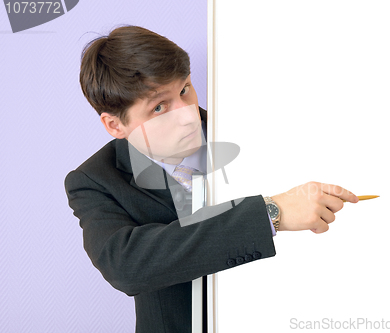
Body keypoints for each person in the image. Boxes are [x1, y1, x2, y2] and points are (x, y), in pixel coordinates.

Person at [64, 25, 359, 333]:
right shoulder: (94, 180)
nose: (187, 114)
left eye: (184, 89)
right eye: (159, 107)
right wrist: (270, 214)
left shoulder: (249, 127)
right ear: (115, 125)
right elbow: (127, 265)